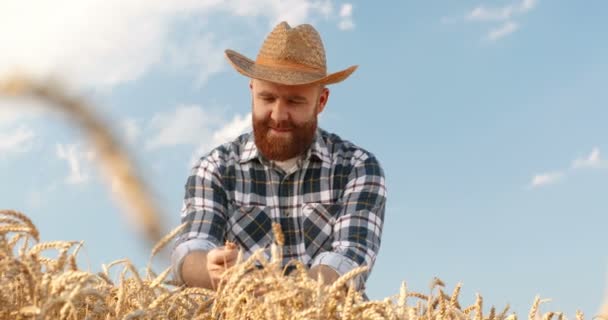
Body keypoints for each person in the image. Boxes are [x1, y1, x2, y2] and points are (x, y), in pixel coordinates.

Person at [171, 21, 386, 293]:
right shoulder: (214, 168)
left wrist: (272, 291)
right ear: (252, 91)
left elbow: (348, 261)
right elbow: (191, 250)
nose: (278, 115)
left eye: (295, 102)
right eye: (267, 98)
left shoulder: (358, 168)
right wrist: (210, 270)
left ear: (321, 102)